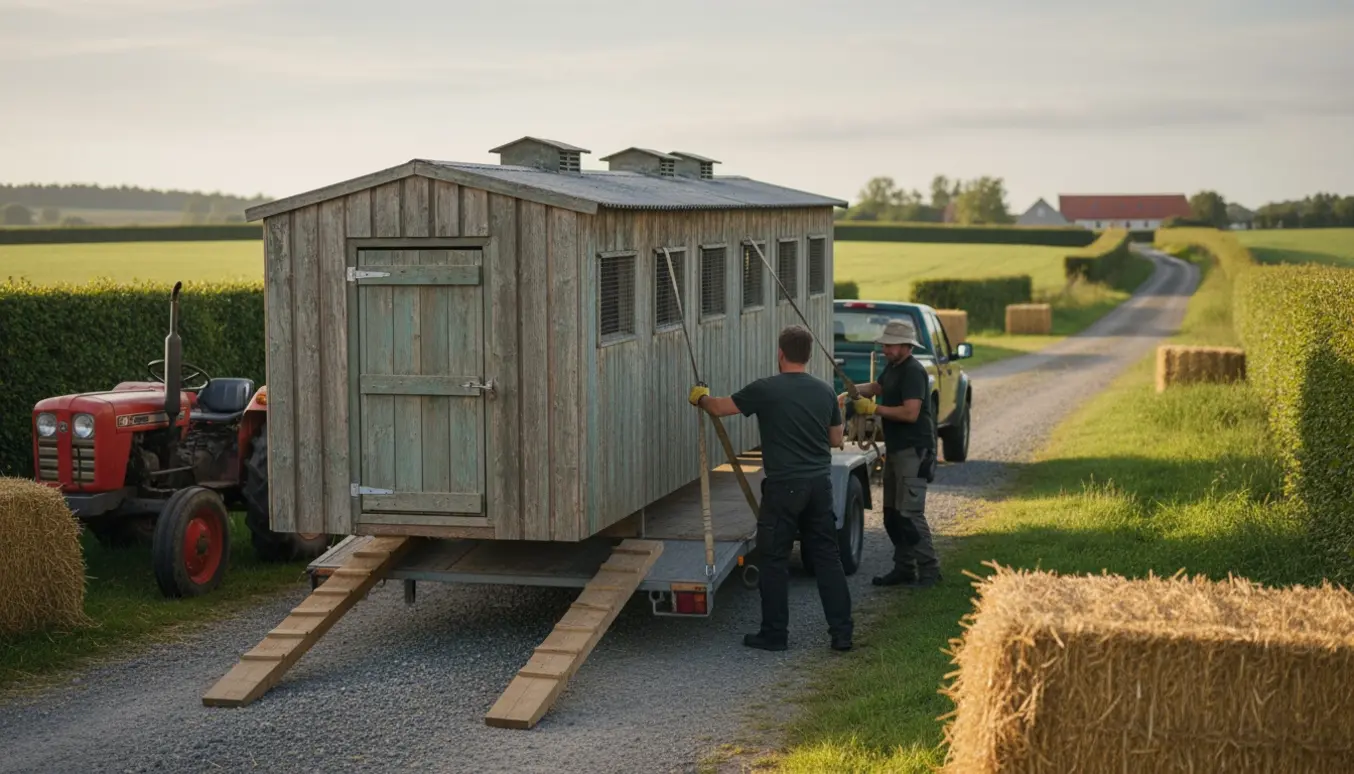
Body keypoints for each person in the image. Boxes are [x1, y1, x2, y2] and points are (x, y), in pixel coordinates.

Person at [688, 325, 854, 652]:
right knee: (826, 558)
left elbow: (720, 408)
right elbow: (836, 439)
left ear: (780, 354)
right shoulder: (824, 391)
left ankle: (775, 634)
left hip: (784, 489)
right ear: (807, 355)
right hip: (820, 486)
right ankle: (842, 633)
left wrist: (701, 397)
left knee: (774, 559)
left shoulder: (766, 389)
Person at [847, 318, 941, 588]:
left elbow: (911, 413)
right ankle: (904, 568)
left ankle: (930, 570)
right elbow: (879, 388)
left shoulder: (913, 371)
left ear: (905, 346)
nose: (885, 349)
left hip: (915, 450)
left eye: (890, 345)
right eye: (885, 345)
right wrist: (850, 392)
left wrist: (872, 409)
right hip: (897, 450)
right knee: (891, 514)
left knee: (910, 514)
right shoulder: (893, 367)